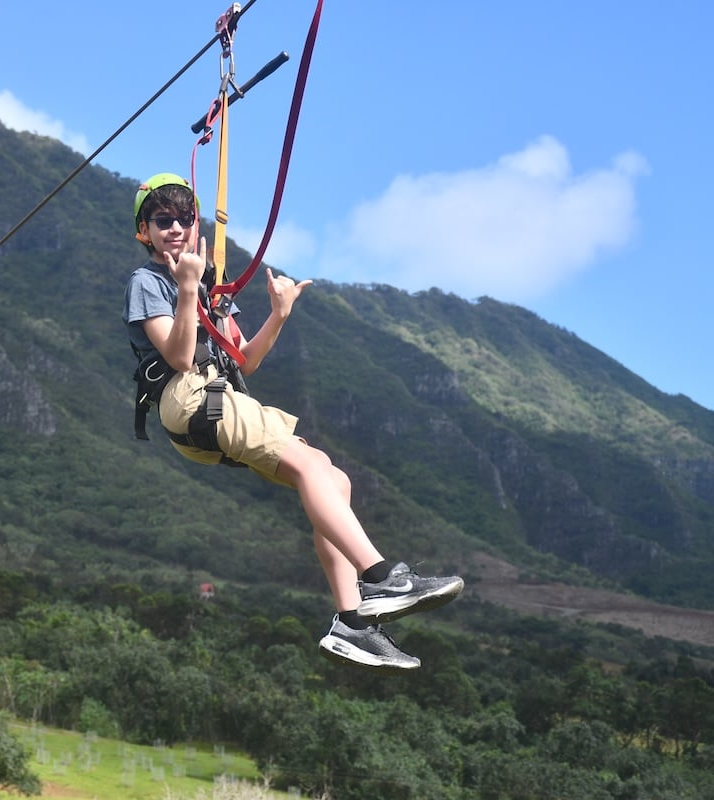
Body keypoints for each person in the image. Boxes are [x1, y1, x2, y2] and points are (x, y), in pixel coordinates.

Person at [123, 173, 464, 673]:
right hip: (189, 397)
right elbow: (177, 357)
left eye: (183, 218)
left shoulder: (208, 282)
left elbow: (244, 360)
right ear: (144, 231)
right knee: (308, 465)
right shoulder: (149, 281)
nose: (175, 228)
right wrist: (189, 287)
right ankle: (382, 575)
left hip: (221, 395)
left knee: (333, 477)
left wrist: (278, 314)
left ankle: (353, 623)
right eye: (162, 220)